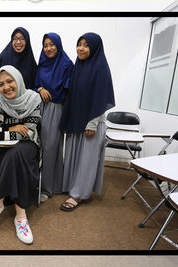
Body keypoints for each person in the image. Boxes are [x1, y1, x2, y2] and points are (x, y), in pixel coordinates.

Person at [0, 65, 41, 245]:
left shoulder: (34, 99)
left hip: (29, 146)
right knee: (11, 155)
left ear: (18, 80)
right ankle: (20, 217)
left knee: (16, 154)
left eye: (10, 81)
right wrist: (10, 128)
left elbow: (28, 132)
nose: (6, 87)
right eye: (1, 84)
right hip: (4, 147)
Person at [58, 32, 115, 212]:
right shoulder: (79, 66)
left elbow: (101, 97)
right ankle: (72, 187)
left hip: (92, 122)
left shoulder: (100, 68)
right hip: (77, 120)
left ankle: (78, 194)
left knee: (86, 161)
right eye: (79, 44)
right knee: (74, 156)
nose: (81, 48)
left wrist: (92, 123)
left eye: (86, 45)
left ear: (95, 48)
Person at [34, 32, 73, 202]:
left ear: (58, 45)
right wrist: (40, 89)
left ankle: (47, 188)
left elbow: (69, 91)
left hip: (56, 109)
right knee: (37, 147)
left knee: (50, 149)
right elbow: (34, 83)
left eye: (52, 44)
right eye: (45, 45)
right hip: (38, 107)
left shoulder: (66, 64)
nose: (48, 48)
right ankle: (48, 183)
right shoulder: (42, 63)